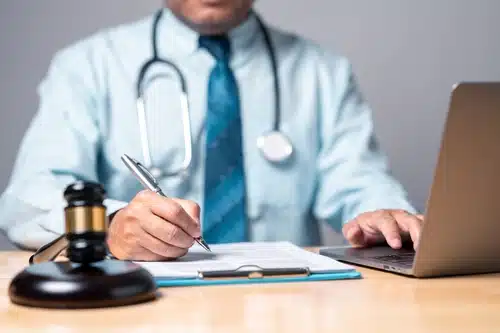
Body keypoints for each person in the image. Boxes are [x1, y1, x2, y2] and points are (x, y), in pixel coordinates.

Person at [0, 0, 423, 261]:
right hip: (140, 308)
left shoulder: (323, 72)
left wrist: (385, 215)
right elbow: (24, 201)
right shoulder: (87, 66)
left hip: (284, 308)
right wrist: (110, 224)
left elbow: (360, 183)